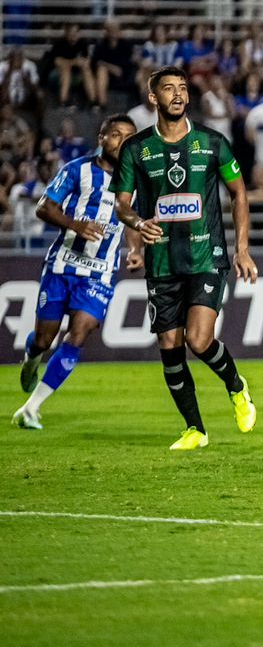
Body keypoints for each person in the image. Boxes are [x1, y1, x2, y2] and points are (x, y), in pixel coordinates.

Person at [112, 67, 259, 450]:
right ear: (153, 98)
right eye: (168, 89)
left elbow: (239, 194)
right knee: (169, 345)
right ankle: (195, 428)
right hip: (162, 262)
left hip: (206, 256)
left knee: (198, 338)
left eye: (182, 89)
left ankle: (236, 385)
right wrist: (137, 224)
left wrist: (242, 248)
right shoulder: (137, 149)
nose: (177, 95)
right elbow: (122, 205)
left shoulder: (212, 143)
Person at [13, 115, 138, 429]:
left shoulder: (137, 179)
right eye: (116, 135)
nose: (122, 142)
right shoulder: (77, 170)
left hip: (100, 272)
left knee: (79, 332)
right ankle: (31, 360)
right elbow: (45, 207)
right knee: (44, 339)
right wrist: (75, 225)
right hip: (62, 265)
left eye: (129, 137)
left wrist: (135, 250)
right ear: (101, 137)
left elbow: (133, 219)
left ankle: (31, 408)